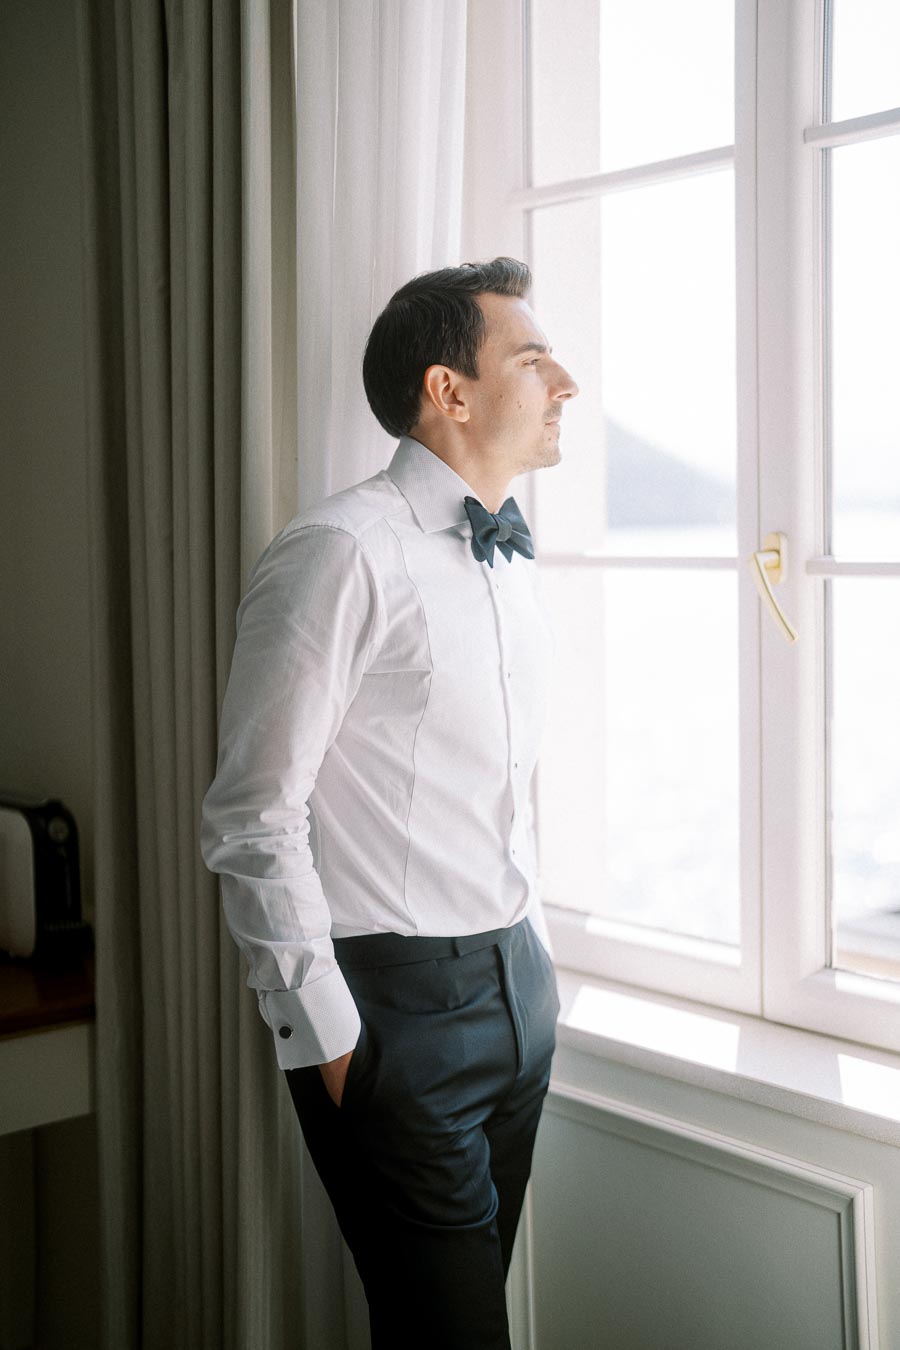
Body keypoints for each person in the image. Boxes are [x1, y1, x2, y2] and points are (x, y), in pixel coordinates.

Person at [200, 256, 579, 1349]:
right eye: (534, 356)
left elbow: (501, 798)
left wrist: (537, 964)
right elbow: (252, 814)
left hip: (518, 993)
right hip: (394, 1017)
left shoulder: (511, 565)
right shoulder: (337, 553)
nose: (566, 383)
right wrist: (328, 1040)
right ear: (446, 390)